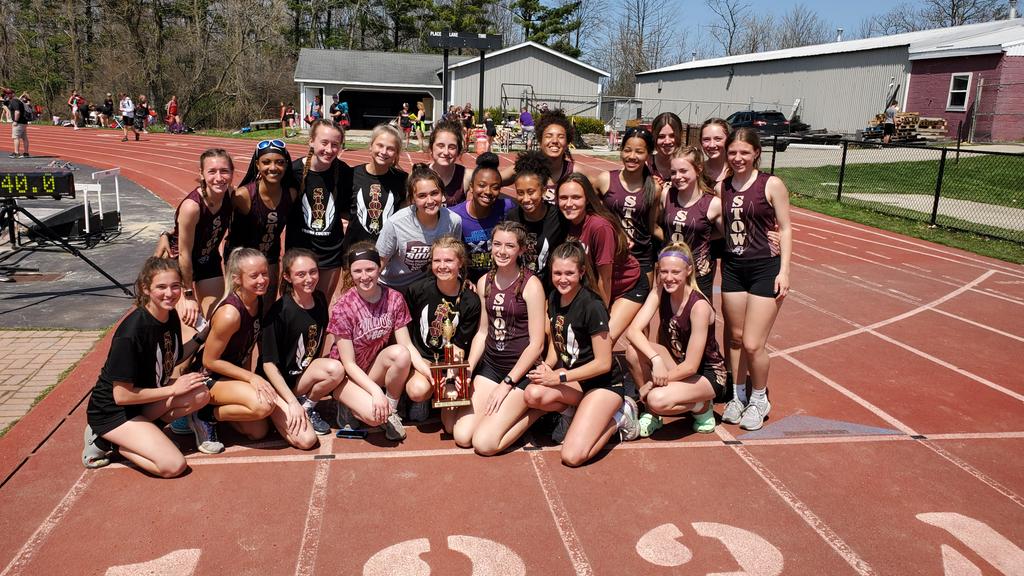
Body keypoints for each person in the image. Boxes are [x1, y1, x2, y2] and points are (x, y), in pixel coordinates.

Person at [82, 257, 213, 476]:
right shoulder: (131, 333)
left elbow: (174, 357)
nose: (169, 293)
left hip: (145, 400)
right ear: (146, 288)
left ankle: (145, 435)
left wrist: (203, 335)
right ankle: (108, 440)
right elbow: (121, 396)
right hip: (114, 412)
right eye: (161, 287)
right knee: (173, 465)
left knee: (200, 393)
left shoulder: (168, 315)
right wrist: (173, 389)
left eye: (175, 286)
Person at [524, 242, 640, 466]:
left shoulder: (592, 305)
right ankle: (573, 414)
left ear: (582, 272)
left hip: (602, 384)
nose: (563, 279)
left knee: (572, 456)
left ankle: (621, 417)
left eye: (569, 273)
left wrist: (558, 377)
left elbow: (603, 363)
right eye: (557, 273)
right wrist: (547, 366)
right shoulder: (555, 298)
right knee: (533, 394)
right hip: (576, 381)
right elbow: (556, 345)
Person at [195, 248, 317, 450]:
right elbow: (209, 361)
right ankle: (203, 415)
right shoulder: (230, 314)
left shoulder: (257, 300)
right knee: (262, 406)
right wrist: (253, 378)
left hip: (232, 376)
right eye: (254, 276)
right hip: (207, 378)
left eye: (265, 273)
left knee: (258, 431)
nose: (262, 280)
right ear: (237, 279)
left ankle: (218, 411)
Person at [718, 128, 792, 431]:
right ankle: (738, 395)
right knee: (735, 338)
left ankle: (759, 397)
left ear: (756, 153)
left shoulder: (770, 184)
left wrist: (784, 270)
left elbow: (785, 228)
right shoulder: (722, 186)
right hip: (734, 268)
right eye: (733, 153)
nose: (738, 158)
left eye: (744, 152)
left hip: (765, 268)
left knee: (752, 342)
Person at [453, 221, 546, 455]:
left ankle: (538, 411)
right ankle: (508, 412)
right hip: (492, 367)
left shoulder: (532, 285)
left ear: (521, 250)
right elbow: (483, 332)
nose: (502, 251)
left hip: (520, 373)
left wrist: (507, 384)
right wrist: (469, 368)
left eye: (509, 246)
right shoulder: (485, 281)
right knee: (463, 436)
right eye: (497, 244)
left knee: (484, 444)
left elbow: (537, 344)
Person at [625, 242, 727, 437]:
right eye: (664, 272)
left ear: (689, 270)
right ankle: (653, 414)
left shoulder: (699, 307)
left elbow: (691, 366)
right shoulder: (660, 291)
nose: (668, 278)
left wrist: (652, 383)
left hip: (707, 374)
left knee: (656, 398)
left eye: (675, 272)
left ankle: (701, 405)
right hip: (677, 363)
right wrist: (655, 360)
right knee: (632, 350)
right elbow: (633, 331)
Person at [326, 243, 420, 441]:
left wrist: (431, 374)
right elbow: (349, 364)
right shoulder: (343, 307)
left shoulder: (394, 298)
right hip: (346, 376)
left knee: (401, 354)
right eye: (357, 271)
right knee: (373, 417)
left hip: (372, 369)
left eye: (370, 269)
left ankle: (391, 409)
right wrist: (376, 391)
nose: (364, 276)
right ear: (350, 273)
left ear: (380, 268)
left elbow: (407, 346)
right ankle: (347, 404)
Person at [261, 249, 346, 436]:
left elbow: (318, 342)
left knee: (336, 369)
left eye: (313, 272)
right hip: (278, 385)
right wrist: (290, 401)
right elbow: (268, 364)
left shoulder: (320, 299)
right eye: (301, 274)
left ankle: (307, 405)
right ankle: (282, 409)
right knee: (306, 440)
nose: (309, 279)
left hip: (301, 380)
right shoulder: (278, 313)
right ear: (287, 277)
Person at [401, 236, 481, 428]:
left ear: (460, 262)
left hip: (451, 361)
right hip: (424, 358)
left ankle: (439, 392)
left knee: (451, 427)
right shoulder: (417, 290)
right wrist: (426, 370)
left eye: (448, 260)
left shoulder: (470, 300)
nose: (442, 266)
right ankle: (423, 397)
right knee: (417, 390)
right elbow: (407, 334)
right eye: (437, 260)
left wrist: (452, 377)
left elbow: (460, 346)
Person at [557, 173, 647, 343]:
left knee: (602, 340)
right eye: (563, 198)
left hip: (627, 287)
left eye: (576, 197)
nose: (569, 204)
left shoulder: (599, 227)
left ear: (588, 199)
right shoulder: (565, 222)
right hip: (595, 286)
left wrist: (600, 317)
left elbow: (605, 279)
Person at [161, 149, 235, 331]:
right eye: (212, 171)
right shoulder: (192, 207)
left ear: (232, 173)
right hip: (179, 264)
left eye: (224, 171)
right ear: (201, 174)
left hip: (208, 260)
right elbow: (184, 254)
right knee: (190, 326)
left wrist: (164, 233)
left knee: (217, 323)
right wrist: (188, 294)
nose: (219, 177)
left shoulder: (230, 194)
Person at [287, 119, 353, 301]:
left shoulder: (344, 172)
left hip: (330, 255)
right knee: (294, 306)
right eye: (324, 143)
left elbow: (348, 209)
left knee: (321, 306)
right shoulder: (293, 172)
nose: (329, 150)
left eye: (335, 145)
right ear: (311, 141)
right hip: (298, 253)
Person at [226, 139, 299, 297]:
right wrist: (167, 236)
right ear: (257, 165)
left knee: (266, 310)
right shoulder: (243, 196)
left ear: (286, 165)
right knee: (243, 310)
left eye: (279, 162)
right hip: (242, 263)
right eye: (266, 162)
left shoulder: (291, 194)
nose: (273, 168)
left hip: (270, 259)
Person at [593, 126, 660, 286]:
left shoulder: (655, 188)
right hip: (608, 257)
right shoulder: (604, 180)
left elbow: (653, 227)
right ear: (621, 151)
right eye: (627, 150)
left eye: (639, 151)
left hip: (642, 259)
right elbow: (591, 214)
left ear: (648, 155)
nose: (632, 156)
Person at [376, 164, 462, 289]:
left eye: (434, 193)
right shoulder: (396, 223)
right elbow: (380, 262)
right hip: (393, 286)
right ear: (412, 199)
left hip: (427, 287)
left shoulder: (453, 221)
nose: (430, 201)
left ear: (442, 194)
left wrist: (461, 280)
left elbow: (455, 257)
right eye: (422, 196)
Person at [663, 146, 721, 298]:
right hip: (671, 273)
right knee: (670, 319)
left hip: (698, 275)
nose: (677, 176)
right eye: (673, 172)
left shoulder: (713, 204)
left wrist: (704, 238)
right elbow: (655, 225)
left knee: (699, 317)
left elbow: (726, 233)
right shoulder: (666, 195)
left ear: (698, 169)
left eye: (683, 171)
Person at [507, 151, 567, 287]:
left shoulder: (558, 216)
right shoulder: (512, 217)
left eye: (531, 192)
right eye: (520, 193)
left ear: (544, 190)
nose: (526, 199)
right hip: (519, 286)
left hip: (551, 287)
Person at [450, 153, 514, 282]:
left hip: (500, 281)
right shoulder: (454, 216)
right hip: (468, 283)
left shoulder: (507, 207)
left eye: (495, 187)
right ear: (471, 187)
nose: (488, 191)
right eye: (482, 185)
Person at [345, 123, 407, 250]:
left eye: (390, 148)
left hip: (387, 253)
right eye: (380, 145)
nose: (384, 152)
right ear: (371, 146)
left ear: (396, 153)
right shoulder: (351, 175)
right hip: (354, 252)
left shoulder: (403, 180)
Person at [501, 109, 575, 204]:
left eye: (561, 136)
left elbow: (599, 185)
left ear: (567, 143)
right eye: (549, 136)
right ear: (540, 141)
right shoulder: (525, 167)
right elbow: (490, 179)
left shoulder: (574, 171)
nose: (555, 141)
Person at [427, 119, 469, 206]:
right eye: (440, 146)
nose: (446, 152)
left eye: (452, 147)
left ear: (458, 151)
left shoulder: (466, 176)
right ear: (431, 148)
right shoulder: (418, 174)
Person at [651, 112, 684, 186]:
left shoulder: (690, 165)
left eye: (672, 136)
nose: (667, 141)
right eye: (661, 136)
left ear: (680, 135)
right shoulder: (645, 166)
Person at [7, 90, 29, 159]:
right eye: (6, 93)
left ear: (13, 94)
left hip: (19, 122)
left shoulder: (14, 101)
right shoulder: (19, 100)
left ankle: (16, 153)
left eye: (9, 93)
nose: (7, 95)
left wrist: (15, 121)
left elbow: (17, 112)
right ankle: (26, 153)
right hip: (24, 121)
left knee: (16, 137)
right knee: (24, 138)